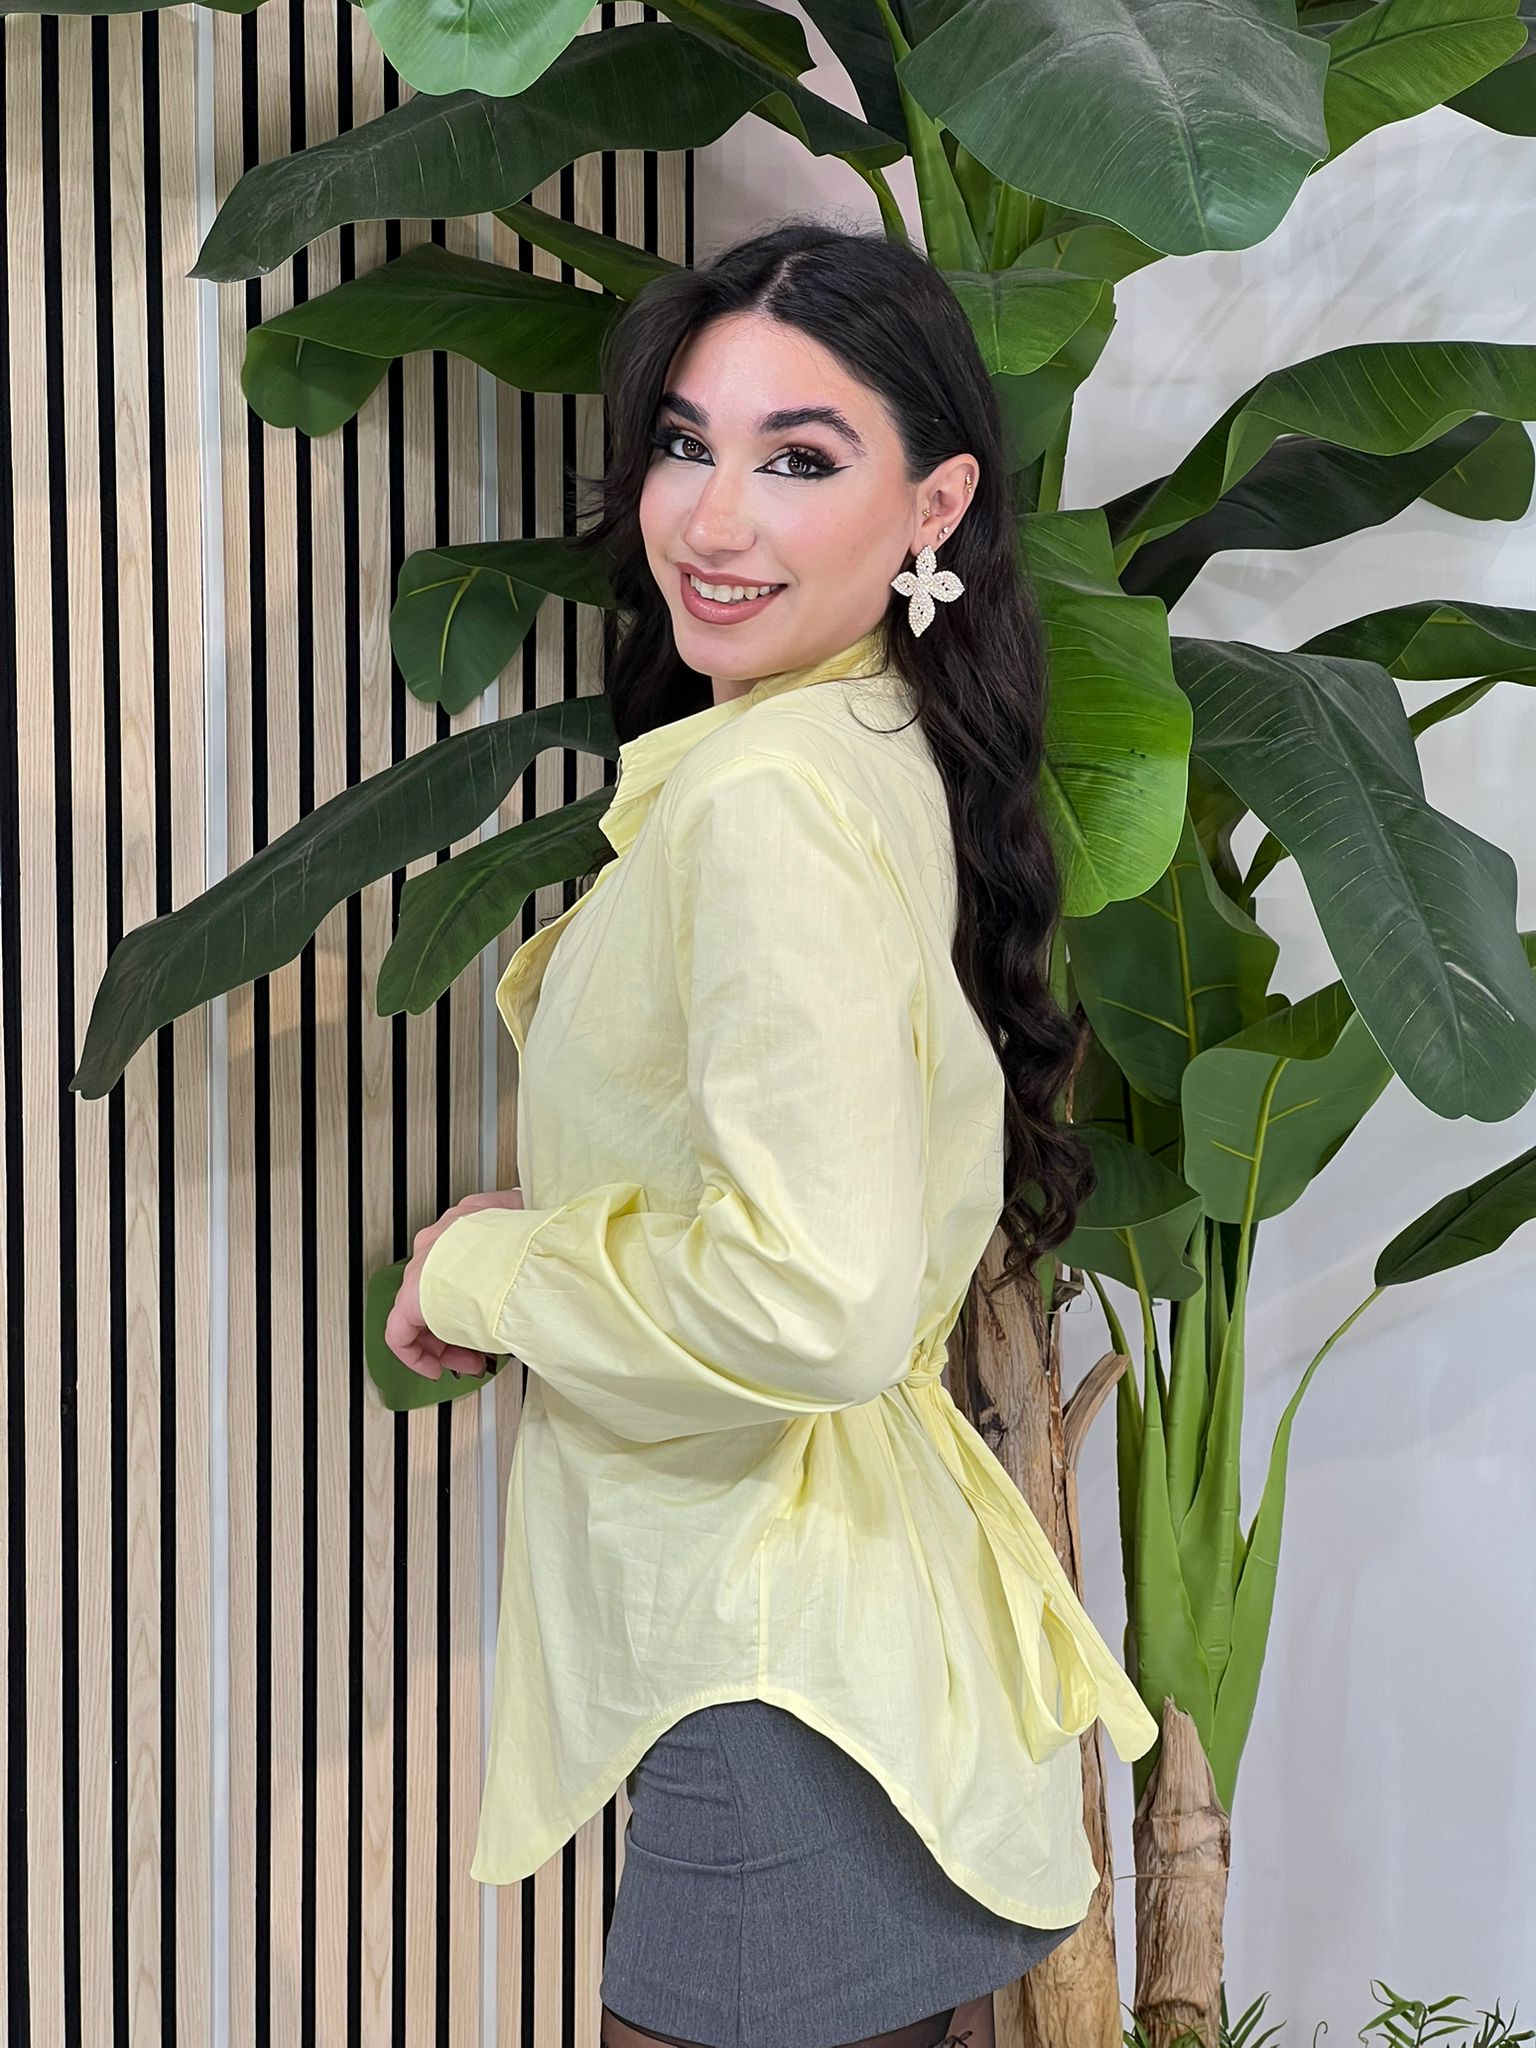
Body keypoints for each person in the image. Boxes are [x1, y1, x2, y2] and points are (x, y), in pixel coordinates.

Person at [384, 217, 1158, 2048]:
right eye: (686, 443)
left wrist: (490, 1270)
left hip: (775, 1670)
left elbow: (807, 1305)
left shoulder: (766, 799)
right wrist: (575, 1214)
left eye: (799, 459)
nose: (713, 522)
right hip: (860, 1657)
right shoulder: (875, 736)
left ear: (935, 505)